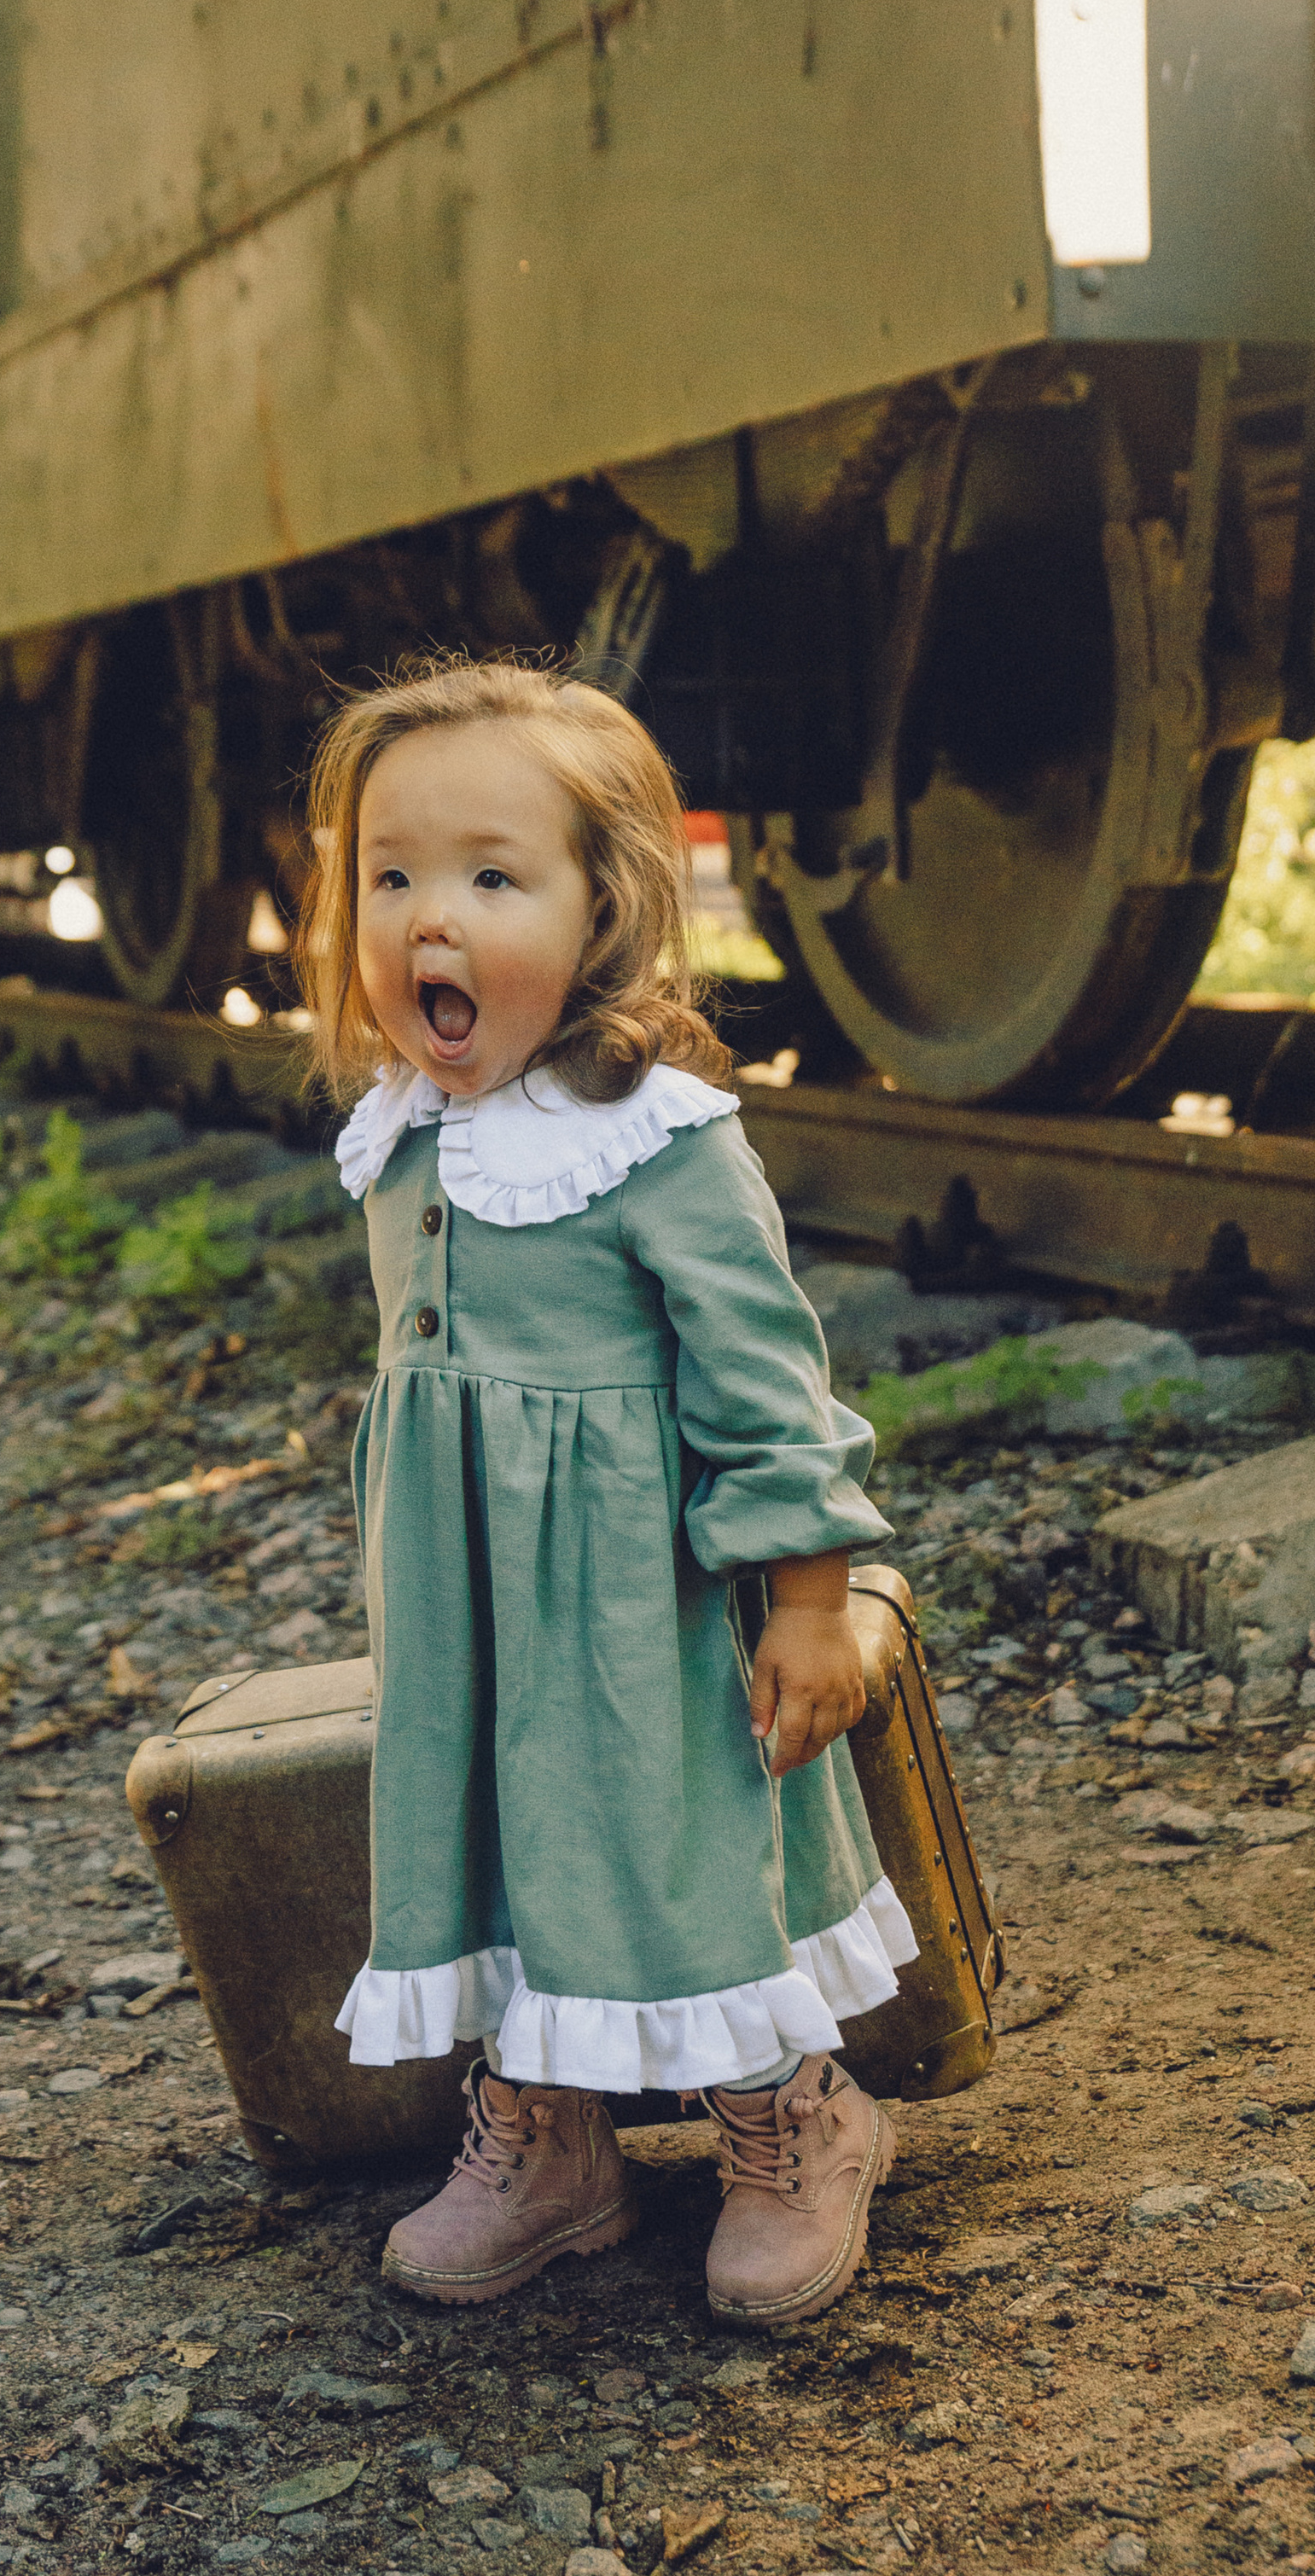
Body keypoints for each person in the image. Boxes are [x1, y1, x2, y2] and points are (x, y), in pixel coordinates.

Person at [295, 655, 916, 2327]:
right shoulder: (401, 1128)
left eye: (490, 879)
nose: (431, 920)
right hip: (465, 1601)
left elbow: (766, 1389)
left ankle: (790, 2118)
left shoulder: (652, 1137)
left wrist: (803, 1602)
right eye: (392, 876)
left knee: (670, 1844)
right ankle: (548, 2137)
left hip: (634, 1606)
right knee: (493, 1840)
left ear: (603, 909)